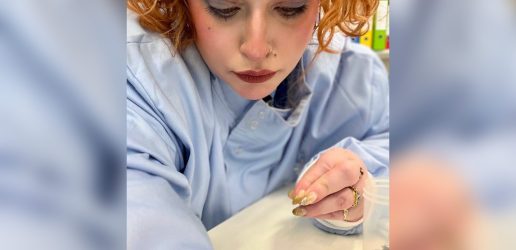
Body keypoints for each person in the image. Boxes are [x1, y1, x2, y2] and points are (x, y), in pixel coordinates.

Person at [126, 0, 389, 248]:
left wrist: (355, 189)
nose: (256, 49)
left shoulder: (350, 73)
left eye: (290, 8)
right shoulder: (130, 75)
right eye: (224, 7)